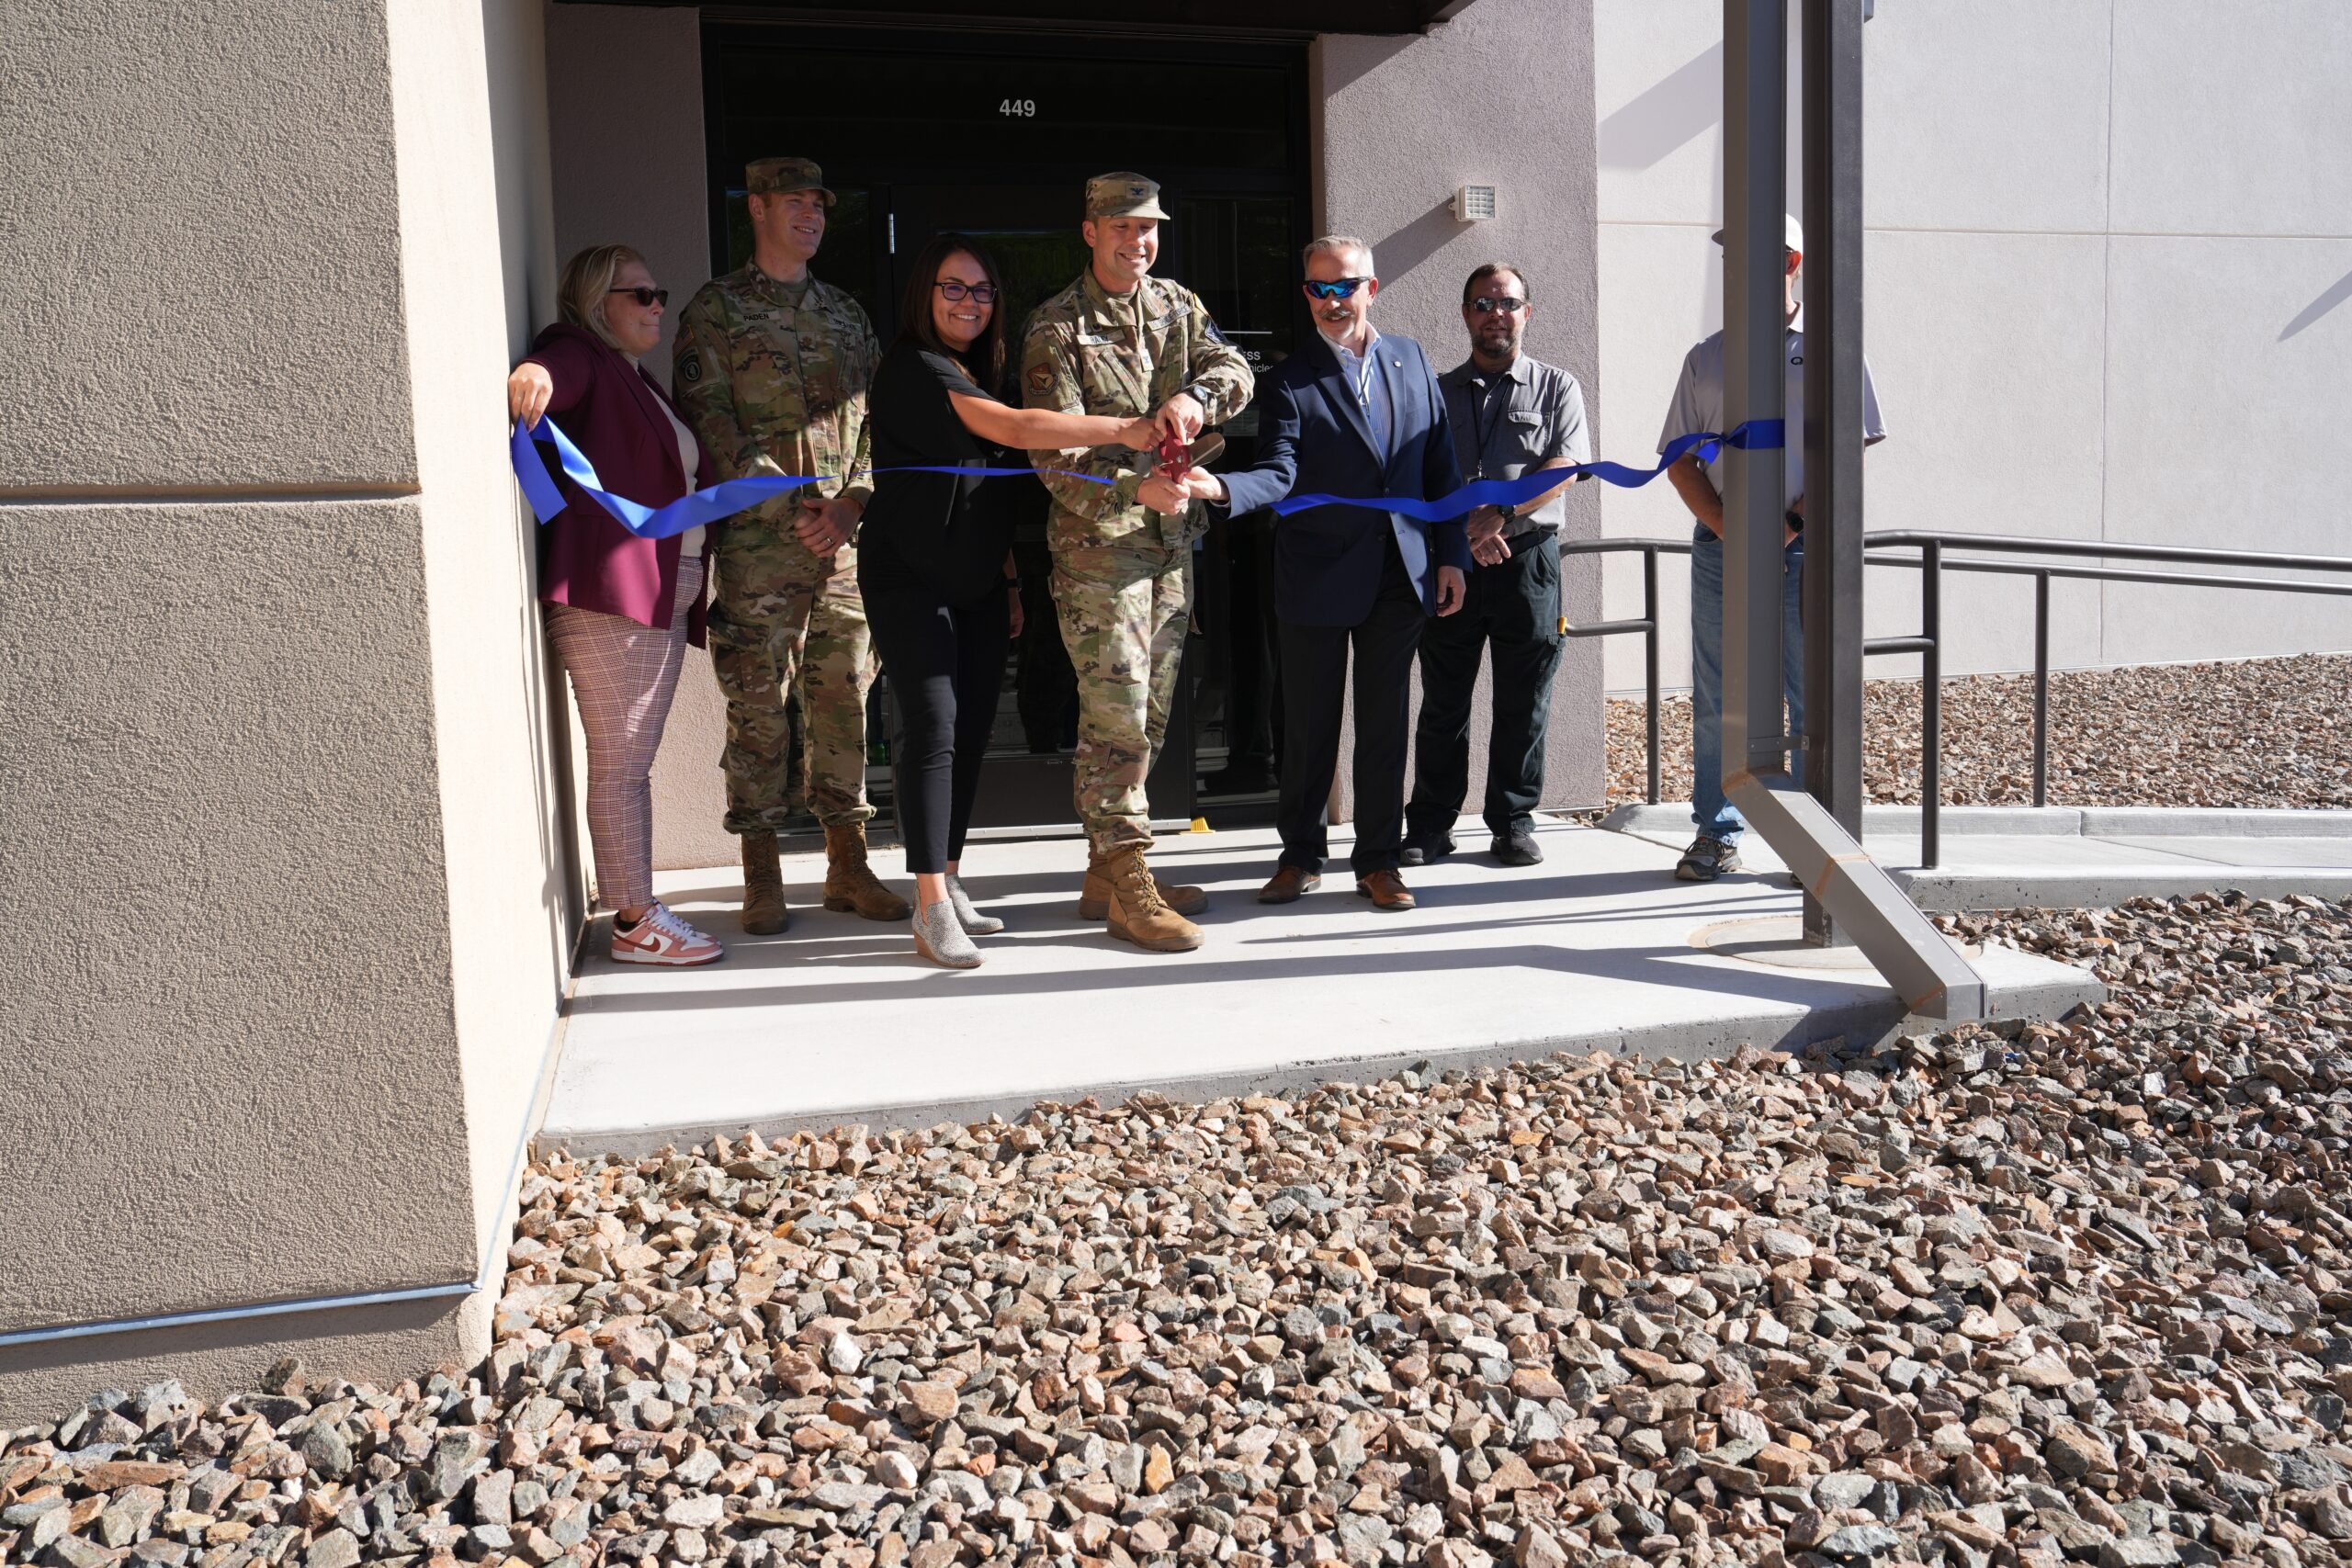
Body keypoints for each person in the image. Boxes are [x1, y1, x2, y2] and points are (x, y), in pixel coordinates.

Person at [861, 234, 1159, 968]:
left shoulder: (980, 366)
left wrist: (1010, 580)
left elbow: (981, 486)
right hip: (909, 574)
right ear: (923, 296)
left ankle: (951, 878)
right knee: (930, 726)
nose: (969, 302)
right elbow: (1015, 431)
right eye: (953, 288)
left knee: (966, 733)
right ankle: (929, 904)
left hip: (979, 582)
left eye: (982, 290)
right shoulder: (914, 364)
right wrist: (1125, 429)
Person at [1157, 236, 1470, 912]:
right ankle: (1300, 854)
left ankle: (1380, 859)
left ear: (1372, 288)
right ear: (1307, 295)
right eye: (1318, 289)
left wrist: (1451, 555)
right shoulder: (1289, 379)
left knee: (1385, 725)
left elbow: (1441, 467)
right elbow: (1280, 470)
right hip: (1317, 576)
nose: (1331, 301)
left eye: (1344, 286)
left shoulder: (1412, 359)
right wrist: (1221, 489)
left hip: (1401, 571)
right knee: (1308, 727)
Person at [1017, 172, 1255, 953]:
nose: (1138, 242)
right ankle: (1132, 886)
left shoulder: (1177, 307)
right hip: (1099, 559)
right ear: (1090, 232)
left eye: (1149, 228)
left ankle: (1103, 873)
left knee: (1147, 719)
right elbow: (1049, 452)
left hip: (1169, 552)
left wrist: (1198, 399)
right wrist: (1134, 489)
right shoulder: (1055, 328)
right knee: (1115, 722)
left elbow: (1237, 370)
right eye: (1123, 228)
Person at [672, 156, 908, 934]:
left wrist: (850, 505)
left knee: (844, 697)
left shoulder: (847, 314)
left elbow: (879, 426)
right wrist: (792, 500)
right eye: (796, 202)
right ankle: (762, 871)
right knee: (758, 705)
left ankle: (848, 864)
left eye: (819, 203)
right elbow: (707, 417)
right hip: (759, 549)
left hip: (841, 549)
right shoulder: (717, 310)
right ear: (760, 209)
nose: (811, 215)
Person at [509, 245, 723, 966]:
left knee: (632, 759)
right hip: (615, 596)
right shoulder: (581, 354)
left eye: (659, 292)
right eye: (641, 295)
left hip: (658, 591)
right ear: (599, 305)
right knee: (623, 761)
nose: (657, 304)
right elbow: (554, 368)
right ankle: (635, 921)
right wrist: (536, 375)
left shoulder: (638, 380)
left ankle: (640, 905)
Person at [1663, 213, 1885, 881]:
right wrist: (1730, 530)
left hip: (1802, 552)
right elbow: (1679, 459)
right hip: (1720, 554)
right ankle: (1716, 831)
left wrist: (1788, 526)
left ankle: (1821, 843)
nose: (1736, 268)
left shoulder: (1830, 349)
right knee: (1717, 696)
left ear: (1790, 262)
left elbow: (1848, 452)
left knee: (1808, 692)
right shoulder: (1707, 356)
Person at [1403, 262, 1590, 870]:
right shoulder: (1434, 391)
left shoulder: (1558, 386)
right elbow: (1422, 473)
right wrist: (1466, 529)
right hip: (1453, 563)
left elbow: (1564, 466)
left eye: (1507, 303)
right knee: (1443, 701)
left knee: (1523, 699)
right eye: (1483, 303)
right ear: (1465, 314)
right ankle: (1431, 824)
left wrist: (1498, 518)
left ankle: (1512, 821)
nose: (1495, 314)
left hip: (1529, 561)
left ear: (1526, 313)